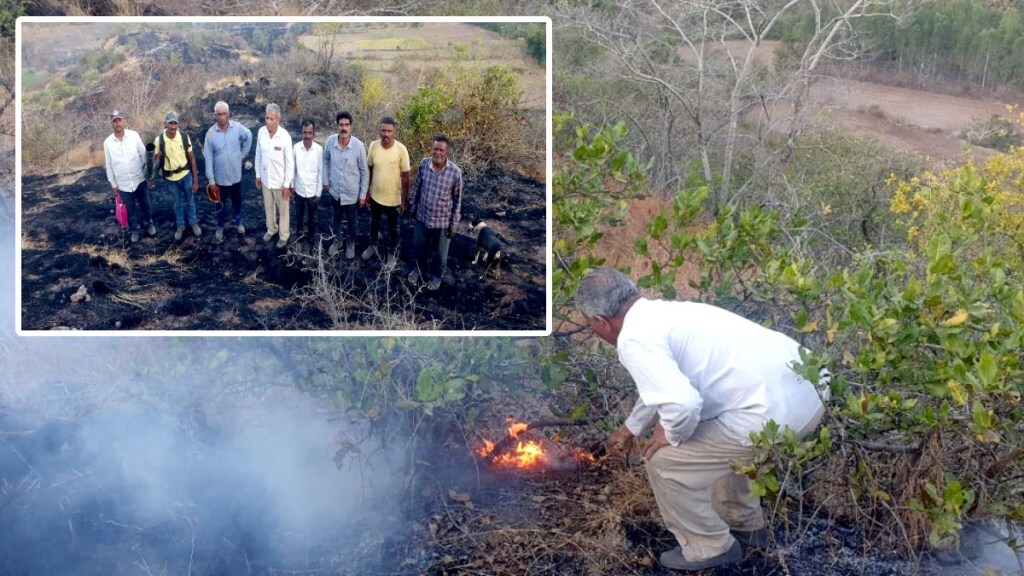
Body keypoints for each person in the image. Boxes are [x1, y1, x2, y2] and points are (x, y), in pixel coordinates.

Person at [575, 268, 826, 571]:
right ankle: (746, 526)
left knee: (666, 460)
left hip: (771, 413)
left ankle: (708, 548)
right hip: (811, 390)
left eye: (591, 325)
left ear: (602, 321)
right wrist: (632, 427)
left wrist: (670, 433)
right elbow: (663, 386)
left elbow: (681, 403)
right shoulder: (665, 314)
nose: (594, 331)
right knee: (717, 442)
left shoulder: (633, 339)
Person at [407, 135, 463, 291]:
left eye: (441, 150)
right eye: (435, 148)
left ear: (447, 152)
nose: (437, 152)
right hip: (422, 217)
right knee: (419, 247)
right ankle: (417, 270)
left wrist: (454, 224)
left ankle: (436, 277)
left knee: (440, 254)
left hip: (442, 222)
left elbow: (458, 200)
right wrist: (412, 207)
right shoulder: (424, 164)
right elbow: (417, 187)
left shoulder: (455, 172)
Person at [362, 116, 410, 266]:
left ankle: (391, 253)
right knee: (374, 222)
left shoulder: (401, 150)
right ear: (379, 131)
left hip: (393, 199)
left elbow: (406, 176)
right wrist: (367, 192)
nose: (386, 134)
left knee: (393, 228)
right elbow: (369, 169)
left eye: (389, 131)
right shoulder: (373, 146)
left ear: (394, 132)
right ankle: (372, 245)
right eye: (383, 130)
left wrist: (404, 201)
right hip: (376, 195)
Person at [203, 100, 253, 244]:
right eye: (219, 114)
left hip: (236, 177)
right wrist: (211, 180)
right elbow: (208, 159)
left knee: (237, 201)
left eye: (224, 114)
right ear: (215, 115)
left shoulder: (237, 128)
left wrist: (242, 154)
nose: (222, 117)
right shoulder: (211, 134)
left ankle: (238, 222)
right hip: (220, 179)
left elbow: (249, 135)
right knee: (219, 204)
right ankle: (220, 227)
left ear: (229, 114)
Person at [103, 109, 155, 244]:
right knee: (130, 208)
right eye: (114, 121)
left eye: (119, 120)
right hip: (123, 184)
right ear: (111, 124)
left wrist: (149, 176)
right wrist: (113, 184)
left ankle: (149, 224)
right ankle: (135, 230)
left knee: (146, 204)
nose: (117, 123)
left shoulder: (134, 136)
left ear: (123, 121)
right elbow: (109, 165)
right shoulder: (107, 143)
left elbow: (144, 156)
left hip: (139, 179)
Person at [322, 111, 368, 259]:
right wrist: (326, 181)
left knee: (352, 221)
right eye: (341, 125)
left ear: (351, 127)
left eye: (346, 125)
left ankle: (350, 244)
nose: (344, 128)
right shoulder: (330, 141)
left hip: (352, 193)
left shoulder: (358, 146)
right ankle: (337, 241)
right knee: (336, 218)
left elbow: (364, 171)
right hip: (335, 191)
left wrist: (362, 195)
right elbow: (325, 160)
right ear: (337, 127)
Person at [153, 111, 201, 241]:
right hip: (171, 179)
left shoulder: (184, 137)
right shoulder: (159, 140)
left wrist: (195, 180)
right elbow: (156, 160)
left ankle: (194, 223)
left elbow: (192, 158)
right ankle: (180, 226)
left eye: (175, 123)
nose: (173, 126)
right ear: (166, 124)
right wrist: (152, 177)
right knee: (177, 203)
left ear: (177, 124)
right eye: (170, 123)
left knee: (190, 201)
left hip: (186, 176)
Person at [254, 103, 294, 249]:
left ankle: (284, 235)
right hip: (266, 180)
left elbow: (290, 163)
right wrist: (258, 175)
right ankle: (271, 229)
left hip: (280, 182)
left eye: (271, 119)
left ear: (278, 120)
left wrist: (287, 184)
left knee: (283, 211)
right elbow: (258, 154)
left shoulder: (285, 137)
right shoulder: (261, 132)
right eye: (266, 118)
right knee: (268, 207)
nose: (268, 121)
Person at [292, 119, 323, 246]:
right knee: (299, 215)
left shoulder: (319, 150)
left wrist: (319, 191)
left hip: (312, 191)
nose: (307, 136)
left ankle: (312, 236)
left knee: (312, 217)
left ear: (314, 133)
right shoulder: (296, 148)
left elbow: (321, 172)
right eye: (305, 133)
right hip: (299, 189)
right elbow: (292, 169)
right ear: (301, 133)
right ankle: (299, 234)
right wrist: (292, 186)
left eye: (310, 133)